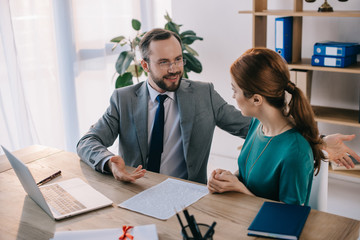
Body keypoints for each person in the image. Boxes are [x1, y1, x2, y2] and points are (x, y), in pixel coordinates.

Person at [77, 28, 360, 185]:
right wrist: (108, 161)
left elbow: (258, 127)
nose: (175, 69)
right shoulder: (123, 98)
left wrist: (317, 141)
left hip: (188, 195)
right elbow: (88, 141)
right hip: (135, 189)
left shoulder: (203, 94)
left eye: (178, 59)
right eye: (164, 62)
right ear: (144, 65)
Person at [207, 48, 324, 205]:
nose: (233, 96)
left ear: (256, 100)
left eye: (235, 90)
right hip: (241, 216)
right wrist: (229, 179)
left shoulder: (295, 152)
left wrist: (241, 190)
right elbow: (249, 177)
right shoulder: (257, 124)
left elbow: (288, 217)